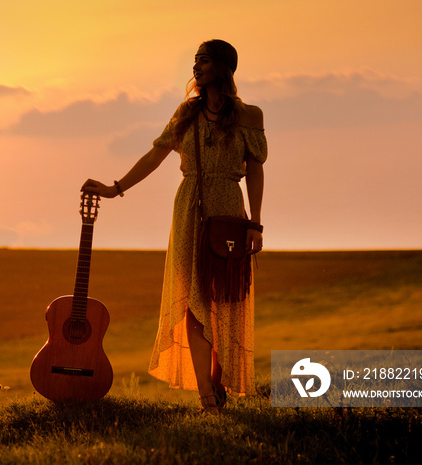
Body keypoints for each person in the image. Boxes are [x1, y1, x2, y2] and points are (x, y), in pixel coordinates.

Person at [81, 39, 267, 415]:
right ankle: (208, 400)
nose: (196, 67)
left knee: (225, 302)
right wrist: (115, 189)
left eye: (204, 60)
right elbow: (156, 154)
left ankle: (218, 383)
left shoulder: (250, 116)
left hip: (230, 210)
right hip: (188, 212)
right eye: (195, 61)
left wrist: (256, 224)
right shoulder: (187, 113)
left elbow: (256, 170)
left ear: (223, 68)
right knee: (193, 307)